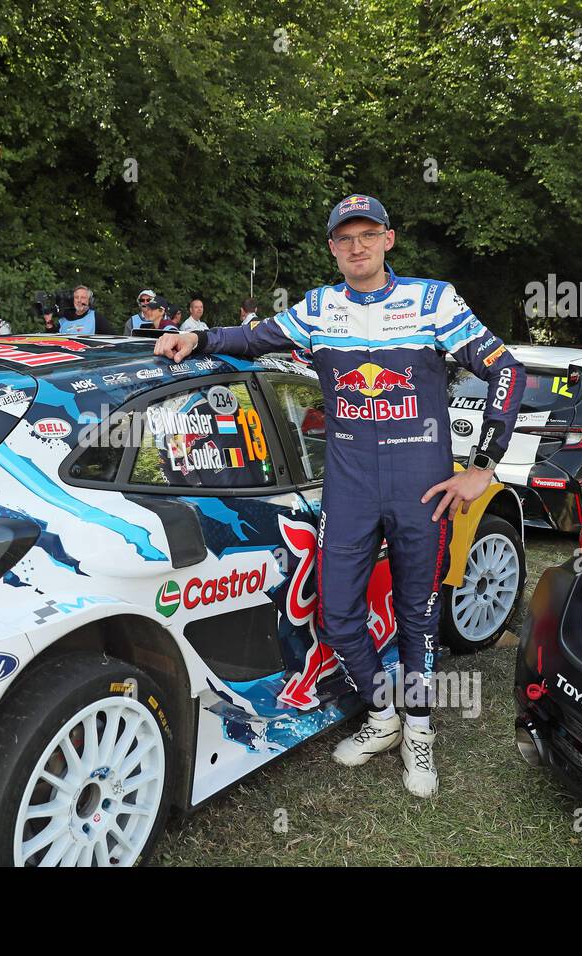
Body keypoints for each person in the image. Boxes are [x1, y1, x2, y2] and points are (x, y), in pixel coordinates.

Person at [154, 193, 525, 798]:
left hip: (421, 487)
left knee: (419, 617)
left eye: (367, 235)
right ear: (332, 247)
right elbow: (255, 340)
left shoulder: (434, 300)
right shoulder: (320, 307)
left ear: (388, 239)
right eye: (344, 238)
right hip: (350, 485)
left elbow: (507, 370)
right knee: (337, 613)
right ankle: (382, 714)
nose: (356, 246)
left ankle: (420, 734)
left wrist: (483, 465)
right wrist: (195, 338)